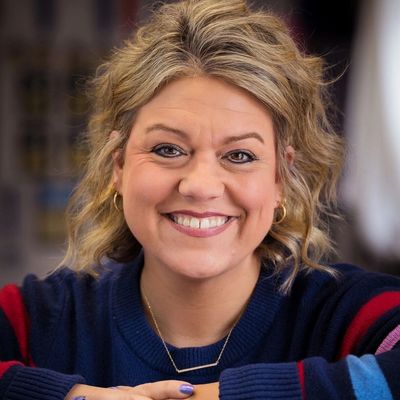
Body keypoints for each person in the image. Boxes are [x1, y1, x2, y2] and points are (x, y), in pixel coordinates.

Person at [1, 0, 399, 399]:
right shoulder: (40, 319)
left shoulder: (345, 314)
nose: (200, 185)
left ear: (281, 177)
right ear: (118, 165)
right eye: (168, 149)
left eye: (239, 155)